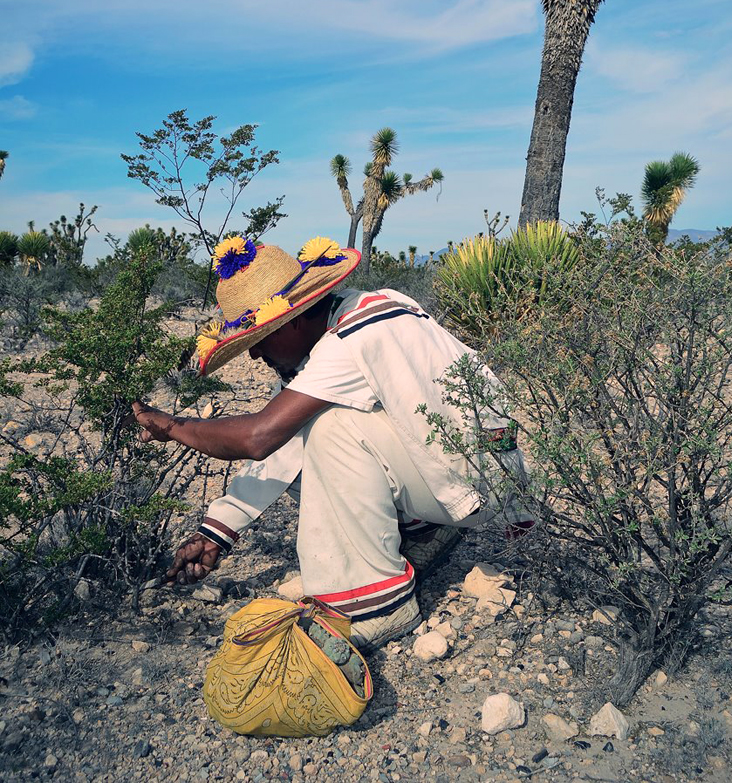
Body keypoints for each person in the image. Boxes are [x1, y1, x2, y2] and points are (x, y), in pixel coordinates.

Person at [131, 234, 526, 650]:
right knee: (312, 428)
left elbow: (259, 438)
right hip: (472, 474)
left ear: (294, 318)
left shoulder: (354, 335)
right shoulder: (346, 321)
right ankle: (424, 531)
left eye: (258, 340)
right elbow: (280, 445)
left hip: (485, 487)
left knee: (331, 430)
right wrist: (218, 531)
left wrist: (173, 426)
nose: (254, 356)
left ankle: (381, 606)